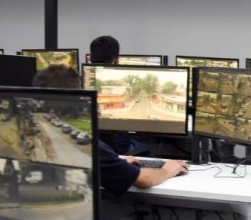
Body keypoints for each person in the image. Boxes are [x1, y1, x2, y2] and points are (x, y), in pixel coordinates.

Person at [33, 65, 188, 193]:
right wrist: (168, 169)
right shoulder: (85, 144)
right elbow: (144, 180)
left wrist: (118, 163)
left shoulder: (32, 132)